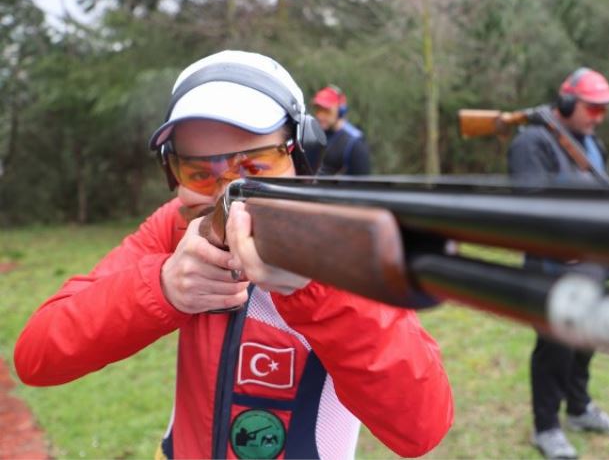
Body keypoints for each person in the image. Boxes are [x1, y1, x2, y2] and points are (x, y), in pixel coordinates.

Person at [14, 50, 453, 459]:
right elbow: (38, 355)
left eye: (256, 165)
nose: (229, 191)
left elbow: (421, 427)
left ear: (302, 156)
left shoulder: (339, 241)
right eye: (199, 173)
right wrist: (162, 286)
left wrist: (317, 286)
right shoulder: (177, 228)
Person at [508, 67, 609, 460]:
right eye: (593, 108)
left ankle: (579, 409)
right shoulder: (532, 142)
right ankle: (546, 427)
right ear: (566, 102)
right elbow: (531, 205)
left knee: (585, 342)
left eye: (604, 110)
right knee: (554, 349)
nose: (599, 117)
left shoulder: (594, 145)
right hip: (552, 266)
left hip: (593, 262)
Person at [307, 85, 371, 175]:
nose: (320, 116)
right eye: (318, 110)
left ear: (341, 110)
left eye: (326, 110)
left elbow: (362, 182)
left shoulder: (355, 144)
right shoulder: (314, 137)